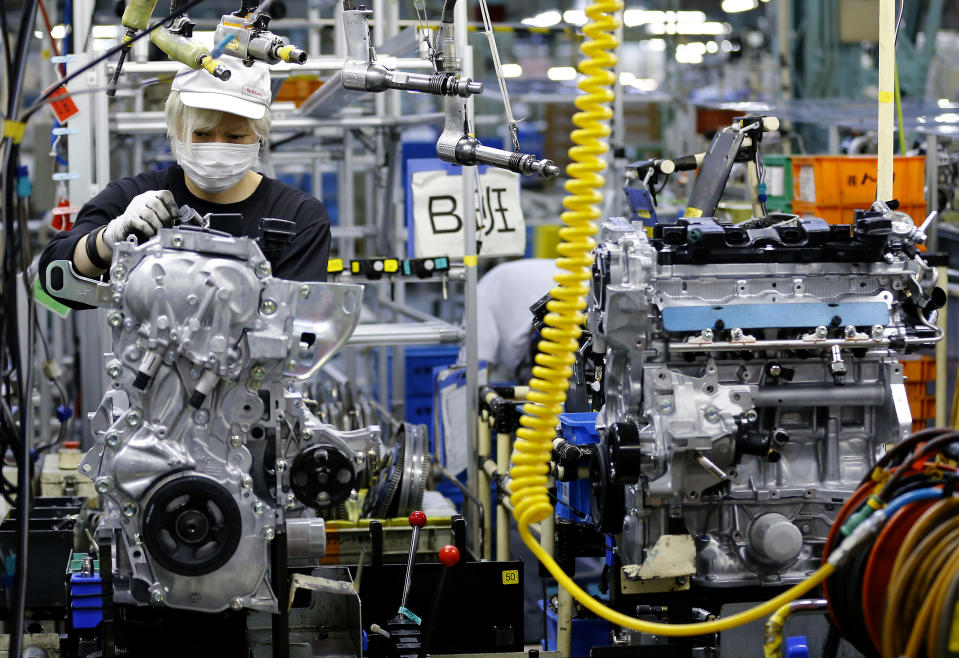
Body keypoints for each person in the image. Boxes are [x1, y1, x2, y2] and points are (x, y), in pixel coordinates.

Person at [38, 58, 331, 307]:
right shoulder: (133, 198)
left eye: (235, 137)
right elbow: (53, 279)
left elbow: (299, 326)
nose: (217, 148)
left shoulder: (297, 216)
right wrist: (108, 239)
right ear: (176, 132)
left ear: (260, 139)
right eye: (202, 134)